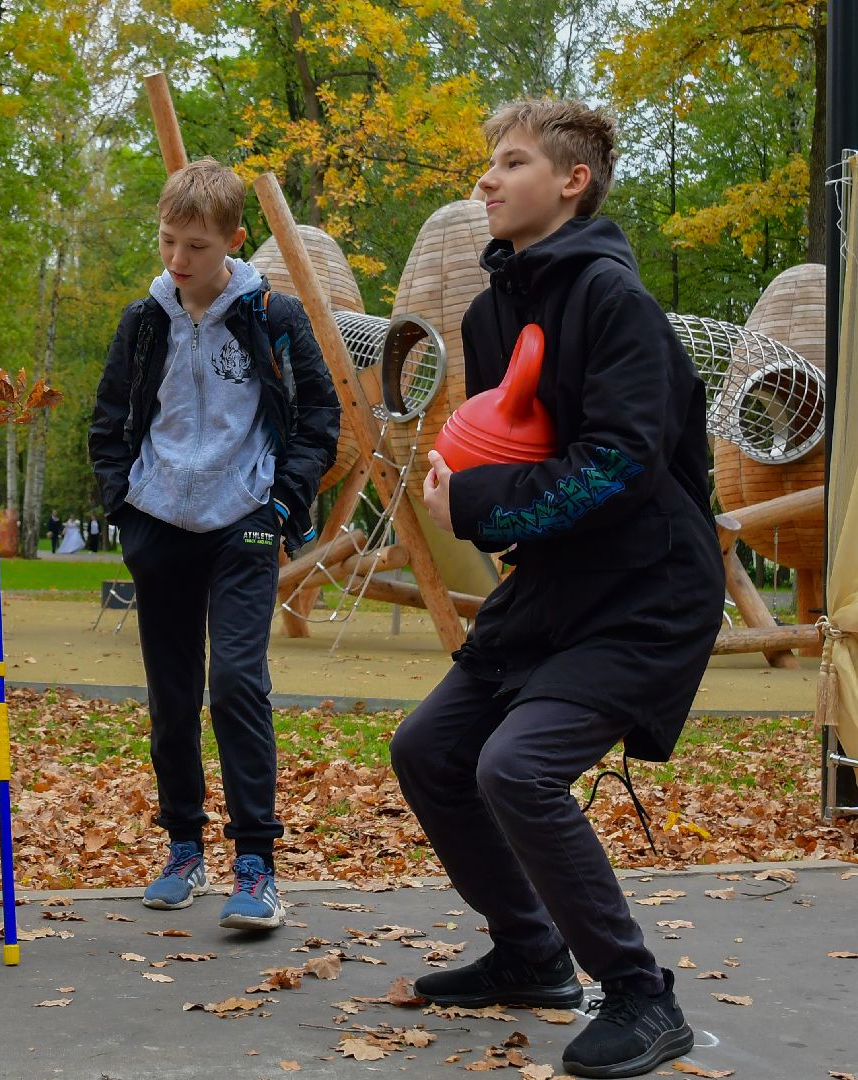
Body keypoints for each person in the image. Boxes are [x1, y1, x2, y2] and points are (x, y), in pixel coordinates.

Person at [390, 99, 722, 1079]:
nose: (485, 181)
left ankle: (640, 996)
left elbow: (618, 463)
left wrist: (481, 501)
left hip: (647, 587)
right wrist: (479, 498)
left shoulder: (615, 303)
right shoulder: (494, 312)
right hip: (556, 586)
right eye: (486, 165)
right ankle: (531, 955)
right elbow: (518, 443)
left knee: (517, 768)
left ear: (571, 181)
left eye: (511, 162)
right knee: (430, 749)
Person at [89, 158, 339, 931]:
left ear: (233, 240)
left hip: (243, 523)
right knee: (171, 698)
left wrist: (282, 506)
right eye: (167, 241)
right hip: (158, 522)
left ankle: (256, 863)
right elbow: (108, 424)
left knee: (235, 683)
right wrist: (123, 510)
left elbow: (317, 420)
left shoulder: (273, 317)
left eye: (196, 245)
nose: (177, 260)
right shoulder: (144, 321)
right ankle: (183, 848)